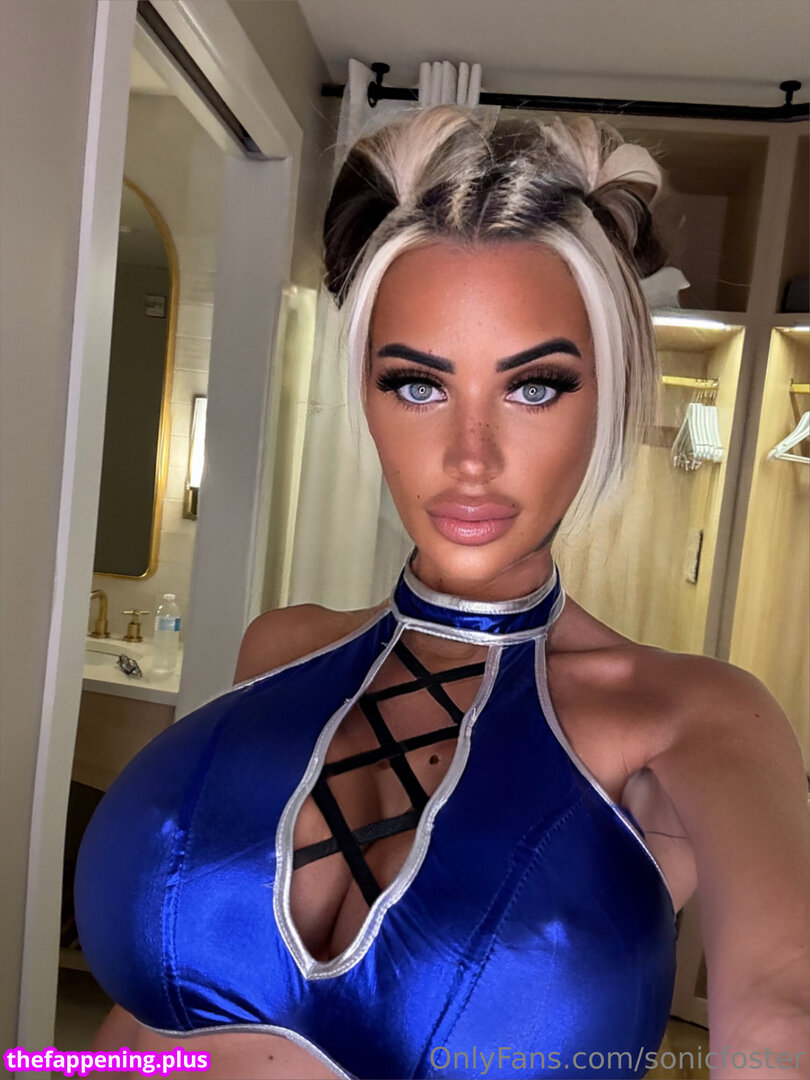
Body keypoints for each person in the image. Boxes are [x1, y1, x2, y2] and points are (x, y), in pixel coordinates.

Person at [75, 105, 810, 1080]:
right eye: (418, 385)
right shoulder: (279, 648)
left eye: (534, 386)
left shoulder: (688, 719)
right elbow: (139, 1034)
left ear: (611, 396)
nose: (471, 457)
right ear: (367, 394)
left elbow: (782, 1009)